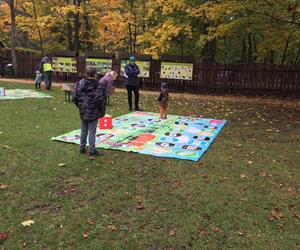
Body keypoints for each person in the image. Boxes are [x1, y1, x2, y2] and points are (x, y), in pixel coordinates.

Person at [73, 67, 116, 157]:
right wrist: (101, 110)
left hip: (84, 110)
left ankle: (82, 147)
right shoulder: (97, 85)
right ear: (95, 74)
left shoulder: (80, 83)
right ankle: (91, 149)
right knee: (92, 131)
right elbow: (99, 98)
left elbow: (75, 96)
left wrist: (80, 106)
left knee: (84, 129)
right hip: (92, 110)